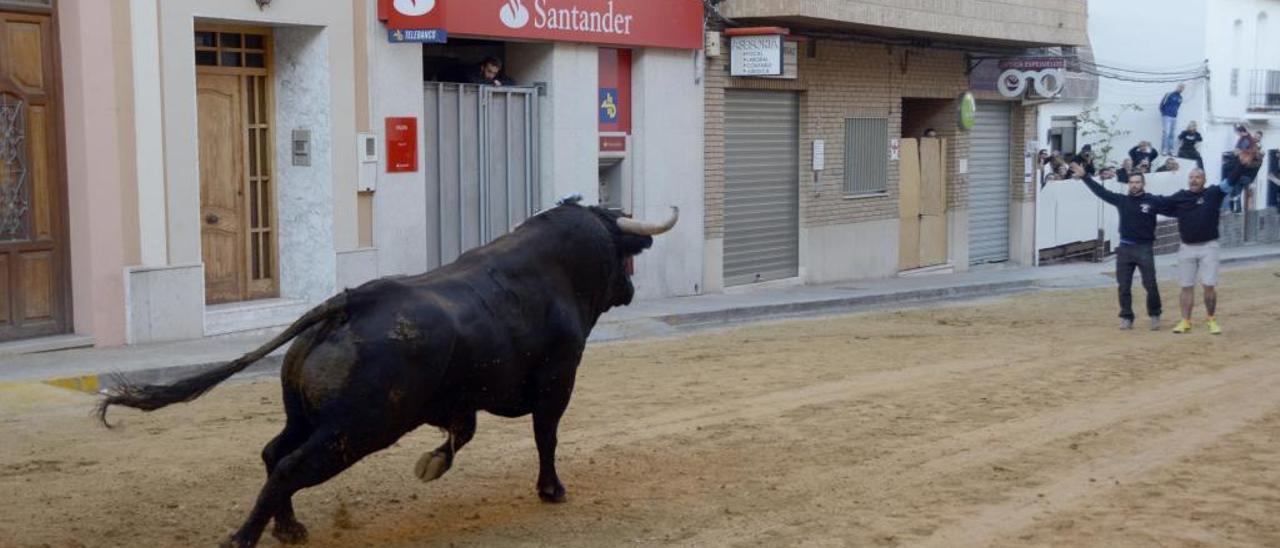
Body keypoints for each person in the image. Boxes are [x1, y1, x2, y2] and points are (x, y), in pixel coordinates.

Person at [1074, 162, 1171, 330]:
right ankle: (1126, 317)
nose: (1134, 185)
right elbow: (1101, 192)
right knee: (1124, 285)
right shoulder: (1122, 200)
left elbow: (1174, 207)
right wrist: (1084, 177)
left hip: (1144, 248)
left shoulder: (1153, 201)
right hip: (1125, 248)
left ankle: (1155, 314)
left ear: (1143, 184)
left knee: (1150, 284)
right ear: (1128, 184)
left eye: (1137, 182)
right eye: (1132, 182)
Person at [1164, 168, 1226, 335]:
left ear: (1204, 180)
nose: (1194, 180)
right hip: (1186, 247)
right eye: (1191, 177)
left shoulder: (1213, 193)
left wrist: (1243, 164)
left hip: (1209, 247)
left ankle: (1211, 319)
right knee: (1186, 286)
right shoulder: (1180, 197)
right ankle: (1185, 321)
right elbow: (1160, 203)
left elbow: (1230, 181)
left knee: (1209, 286)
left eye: (1198, 177)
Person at [1159, 83, 1185, 154]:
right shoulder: (1169, 94)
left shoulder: (1180, 98)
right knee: (1166, 133)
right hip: (1167, 116)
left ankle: (1170, 150)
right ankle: (1164, 149)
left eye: (1183, 88)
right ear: (1177, 86)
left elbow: (1177, 107)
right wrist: (1164, 113)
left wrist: (1175, 114)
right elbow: (1162, 104)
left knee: (1172, 134)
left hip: (1174, 117)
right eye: (1180, 87)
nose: (1181, 89)